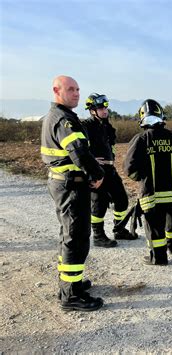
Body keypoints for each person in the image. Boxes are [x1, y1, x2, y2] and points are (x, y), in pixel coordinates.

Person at [41, 75, 105, 311]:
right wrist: (98, 174)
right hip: (70, 186)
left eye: (78, 89)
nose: (76, 93)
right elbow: (79, 151)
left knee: (69, 234)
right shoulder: (63, 118)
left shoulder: (58, 116)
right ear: (56, 90)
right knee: (76, 238)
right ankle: (71, 296)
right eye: (70, 89)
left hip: (65, 184)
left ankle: (71, 285)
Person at [123, 99, 172, 265]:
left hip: (151, 193)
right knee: (170, 216)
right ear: (161, 117)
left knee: (154, 224)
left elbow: (129, 168)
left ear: (142, 119)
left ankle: (158, 257)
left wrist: (141, 178)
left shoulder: (141, 139)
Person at [83, 93, 135, 248]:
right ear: (92, 110)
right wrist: (91, 162)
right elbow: (79, 149)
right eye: (100, 108)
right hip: (95, 171)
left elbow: (111, 146)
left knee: (122, 200)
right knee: (99, 203)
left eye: (105, 107)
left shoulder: (107, 127)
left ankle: (119, 229)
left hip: (110, 169)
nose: (104, 111)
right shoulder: (85, 126)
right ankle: (98, 236)